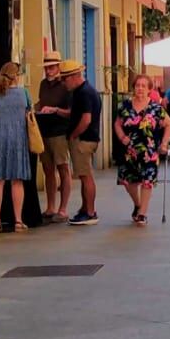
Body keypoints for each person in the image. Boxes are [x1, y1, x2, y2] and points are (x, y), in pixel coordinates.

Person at [115, 73, 170, 225]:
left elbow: (169, 125)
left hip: (150, 151)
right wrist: (122, 137)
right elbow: (117, 124)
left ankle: (142, 213)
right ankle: (138, 204)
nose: (140, 88)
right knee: (129, 183)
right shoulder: (124, 105)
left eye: (143, 86)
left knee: (147, 182)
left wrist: (164, 143)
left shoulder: (155, 108)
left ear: (149, 90)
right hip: (129, 151)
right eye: (137, 85)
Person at [0, 62, 33, 232]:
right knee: (16, 181)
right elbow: (29, 110)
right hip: (16, 139)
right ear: (16, 76)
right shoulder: (23, 93)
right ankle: (18, 221)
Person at [62, 59, 103, 225]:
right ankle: (85, 208)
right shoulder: (84, 91)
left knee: (86, 177)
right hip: (87, 139)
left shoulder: (84, 93)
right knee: (85, 175)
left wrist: (74, 135)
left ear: (74, 76)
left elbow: (86, 119)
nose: (63, 83)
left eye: (65, 79)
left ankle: (90, 212)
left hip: (83, 140)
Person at [35, 54, 73, 222]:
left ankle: (63, 208)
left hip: (60, 132)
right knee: (48, 169)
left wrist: (55, 110)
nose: (48, 70)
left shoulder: (65, 85)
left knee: (63, 168)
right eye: (46, 67)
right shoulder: (43, 84)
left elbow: (71, 112)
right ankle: (50, 207)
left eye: (51, 67)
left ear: (59, 67)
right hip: (44, 131)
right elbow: (41, 102)